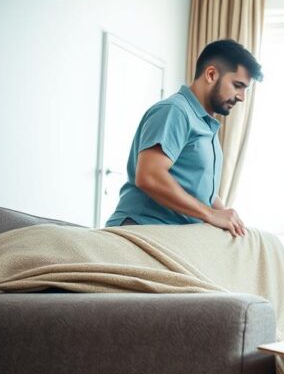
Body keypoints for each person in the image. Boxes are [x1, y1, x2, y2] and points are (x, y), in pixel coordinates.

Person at [106, 39, 262, 236]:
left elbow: (204, 192)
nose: (241, 97)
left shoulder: (206, 125)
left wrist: (227, 216)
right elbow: (149, 176)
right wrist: (209, 214)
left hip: (174, 236)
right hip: (141, 229)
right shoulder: (175, 111)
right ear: (211, 74)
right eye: (237, 85)